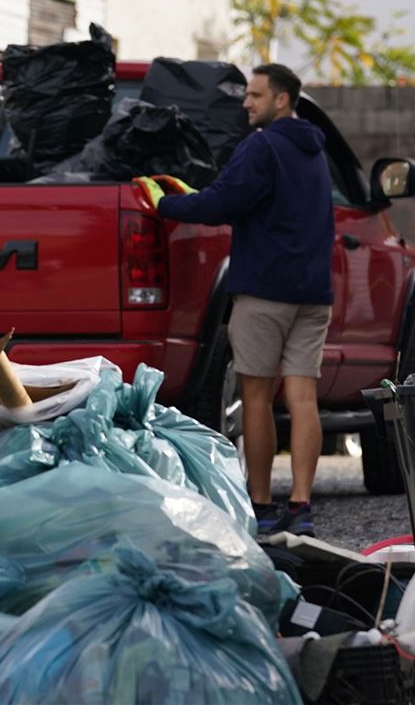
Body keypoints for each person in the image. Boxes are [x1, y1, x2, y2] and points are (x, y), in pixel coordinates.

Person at [136, 63, 334, 537]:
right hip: (313, 295)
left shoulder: (262, 146)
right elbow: (246, 198)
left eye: (255, 95)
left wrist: (165, 204)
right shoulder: (314, 151)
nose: (246, 103)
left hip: (265, 293)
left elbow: (221, 203)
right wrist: (200, 193)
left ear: (282, 100)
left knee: (257, 397)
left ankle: (262, 504)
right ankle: (302, 506)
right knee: (303, 398)